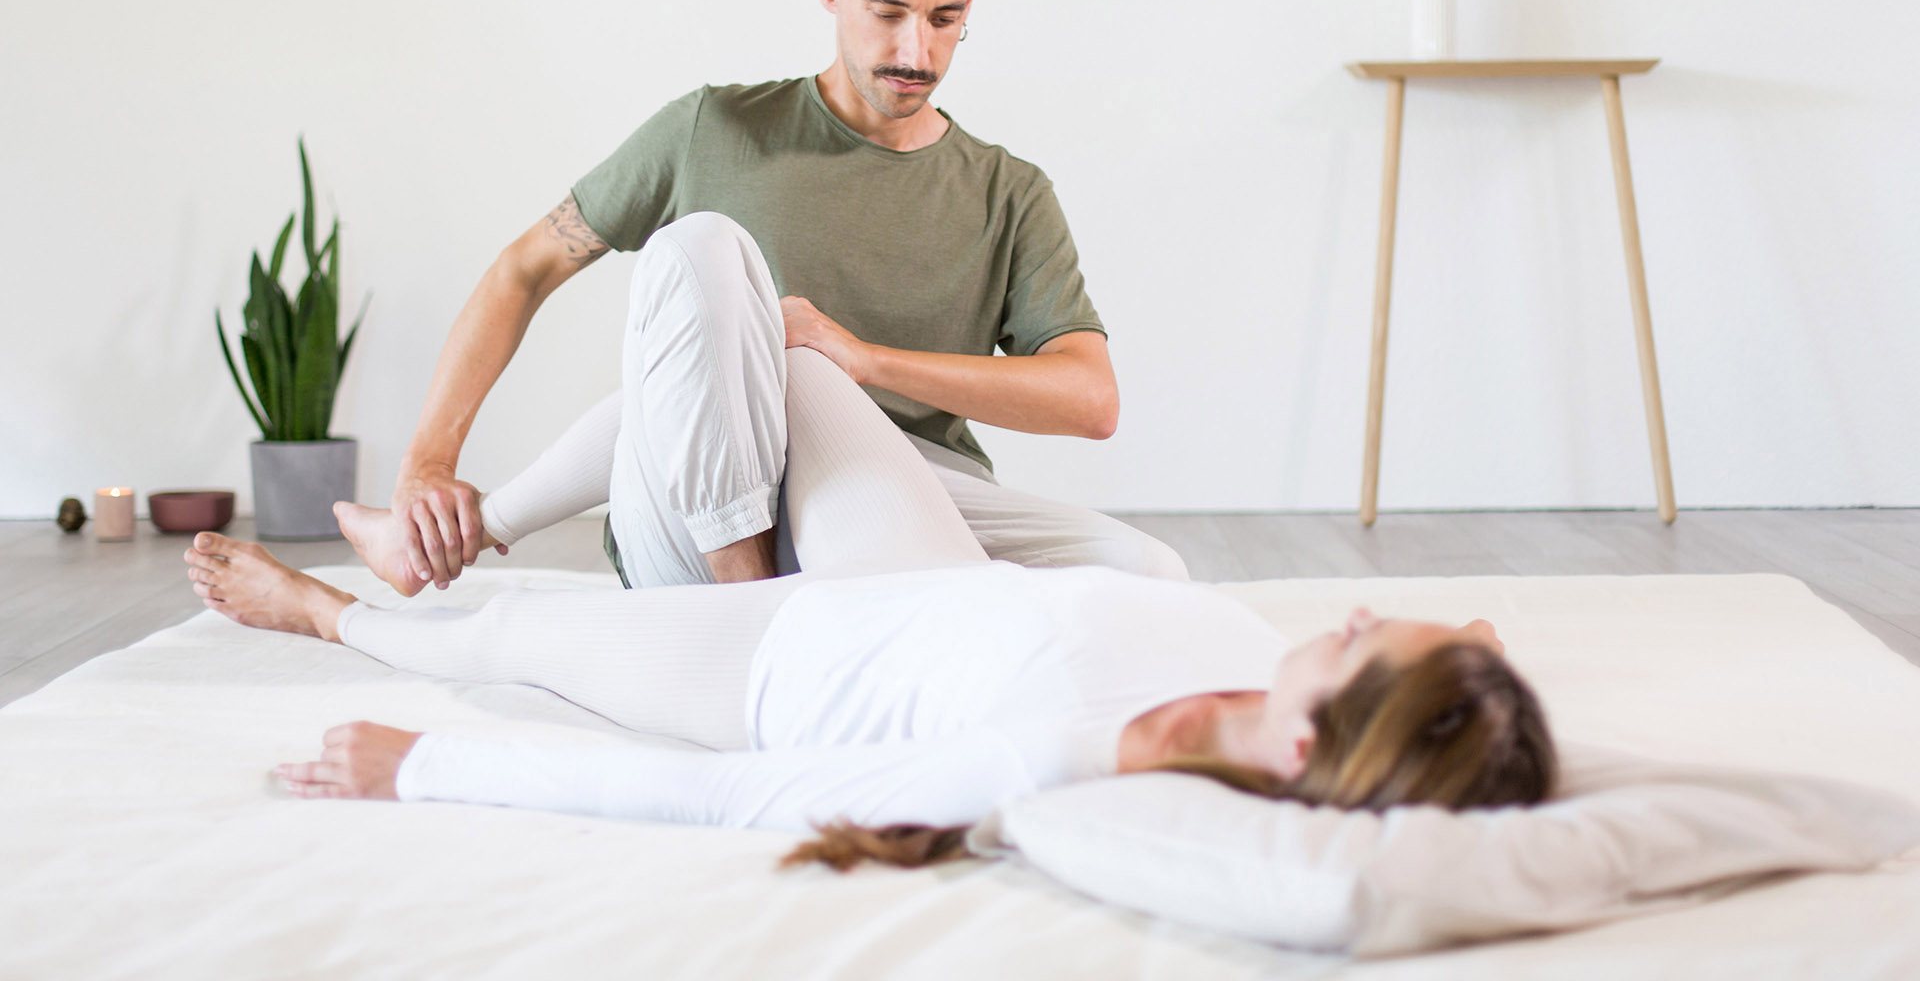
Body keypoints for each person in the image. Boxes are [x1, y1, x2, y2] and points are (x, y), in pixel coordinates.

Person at [186, 330, 1557, 870]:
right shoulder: (1259, 661)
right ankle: (472, 518)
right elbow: (1449, 704)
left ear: (1310, 755)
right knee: (801, 370)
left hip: (772, 664)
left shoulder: (1063, 769)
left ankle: (326, 610)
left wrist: (423, 769)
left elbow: (737, 802)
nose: (1365, 614)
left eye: (1373, 645)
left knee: (508, 635)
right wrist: (1475, 669)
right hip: (918, 578)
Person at [371, 0, 1182, 595]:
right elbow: (525, 270)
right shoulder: (712, 129)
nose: (916, 51)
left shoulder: (1009, 190)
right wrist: (426, 466)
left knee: (1153, 575)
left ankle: (787, 621)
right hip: (699, 524)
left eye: (945, 18)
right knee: (707, 251)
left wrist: (864, 360)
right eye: (888, 11)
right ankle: (755, 597)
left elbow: (1089, 398)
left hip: (915, 493)